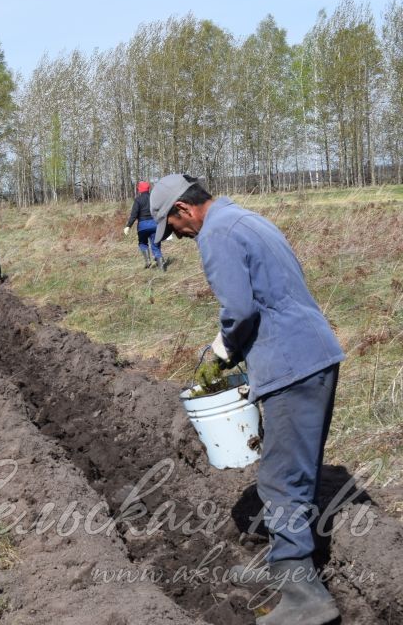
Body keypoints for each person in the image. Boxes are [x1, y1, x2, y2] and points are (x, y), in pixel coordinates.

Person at [149, 173, 344, 625]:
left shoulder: (215, 234)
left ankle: (303, 599)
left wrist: (221, 350)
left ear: (183, 209)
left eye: (173, 227)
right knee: (298, 470)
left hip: (290, 363)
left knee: (278, 481)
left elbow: (239, 310)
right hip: (315, 354)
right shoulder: (247, 219)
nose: (176, 236)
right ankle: (298, 565)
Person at [124, 181, 165, 270]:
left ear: (139, 190)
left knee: (142, 243)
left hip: (142, 226)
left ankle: (148, 261)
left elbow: (134, 215)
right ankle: (161, 268)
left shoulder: (138, 200)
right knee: (156, 245)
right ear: (148, 189)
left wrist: (128, 226)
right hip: (155, 224)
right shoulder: (154, 198)